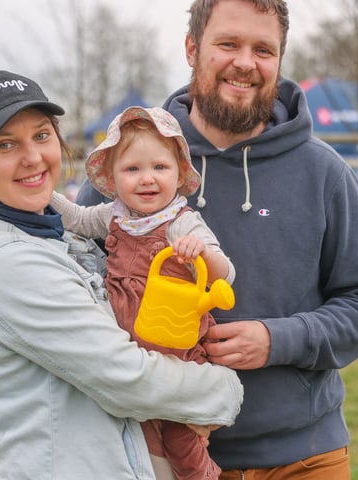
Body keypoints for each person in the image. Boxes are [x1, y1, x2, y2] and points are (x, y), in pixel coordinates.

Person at [76, 1, 358, 478]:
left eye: (263, 49)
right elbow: (65, 276)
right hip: (156, 455)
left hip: (303, 457)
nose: (245, 62)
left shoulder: (324, 172)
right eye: (228, 44)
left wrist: (278, 339)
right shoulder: (133, 162)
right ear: (192, 49)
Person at [0, 69, 243, 479]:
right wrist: (224, 391)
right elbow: (126, 379)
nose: (32, 157)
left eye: (42, 135)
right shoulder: (8, 260)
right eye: (5, 144)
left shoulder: (45, 228)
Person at [50, 105, 235, 480]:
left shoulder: (181, 222)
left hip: (176, 354)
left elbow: (225, 274)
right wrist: (43, 193)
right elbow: (77, 220)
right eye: (132, 169)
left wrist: (199, 252)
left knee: (183, 439)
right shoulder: (114, 216)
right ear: (113, 178)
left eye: (159, 168)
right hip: (130, 353)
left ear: (179, 173)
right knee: (143, 443)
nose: (147, 179)